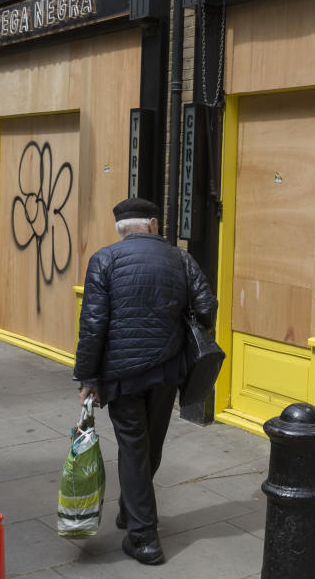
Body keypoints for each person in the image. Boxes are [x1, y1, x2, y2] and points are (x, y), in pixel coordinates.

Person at [73, 197, 217, 565]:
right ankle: (131, 511)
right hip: (166, 370)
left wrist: (88, 376)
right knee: (149, 447)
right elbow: (206, 309)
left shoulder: (104, 260)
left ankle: (144, 539)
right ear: (152, 223)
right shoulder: (181, 258)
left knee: (134, 448)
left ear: (122, 228)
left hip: (121, 375)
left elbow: (93, 324)